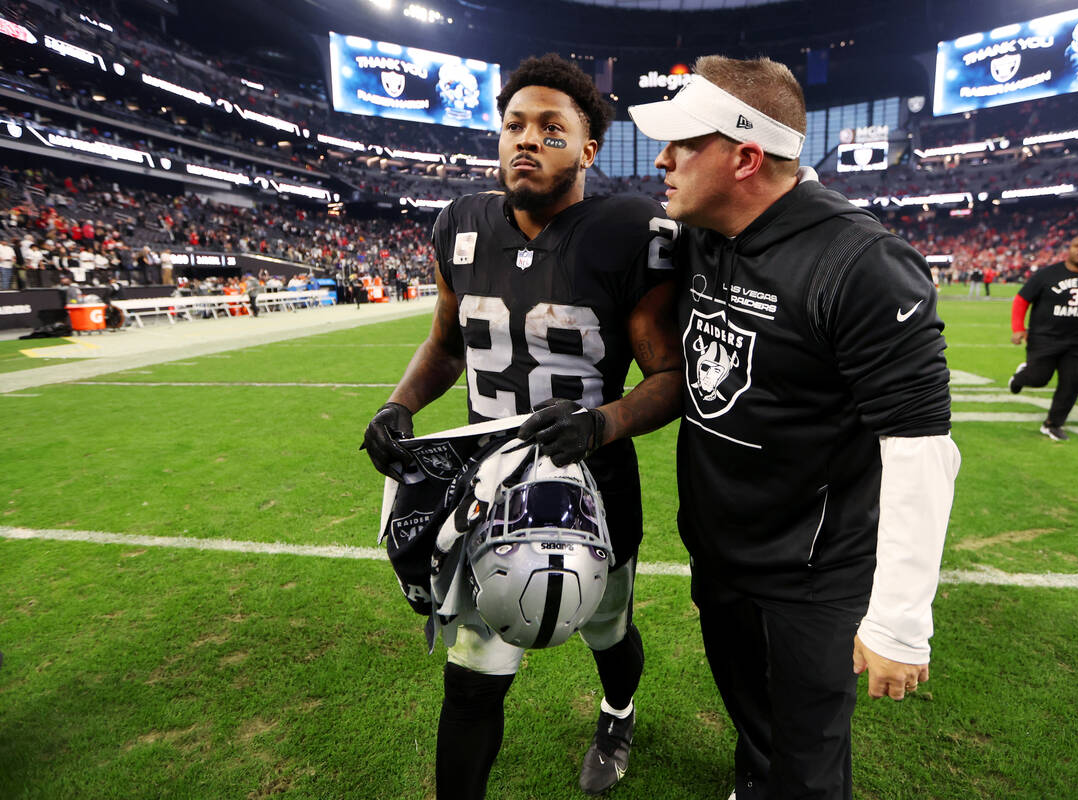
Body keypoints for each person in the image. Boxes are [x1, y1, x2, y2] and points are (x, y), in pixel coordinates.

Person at [629, 56, 960, 799]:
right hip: (719, 552)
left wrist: (902, 622)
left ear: (746, 156)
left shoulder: (862, 263)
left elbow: (919, 451)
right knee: (755, 725)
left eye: (683, 142)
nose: (661, 158)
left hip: (812, 577)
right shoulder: (703, 234)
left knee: (808, 767)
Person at [361, 53, 682, 799]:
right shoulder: (461, 224)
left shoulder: (630, 230)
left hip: (593, 483)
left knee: (608, 633)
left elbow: (670, 379)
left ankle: (618, 710)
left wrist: (602, 425)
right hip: (490, 484)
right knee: (473, 673)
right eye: (513, 125)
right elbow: (446, 345)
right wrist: (398, 404)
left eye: (550, 128)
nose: (526, 140)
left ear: (588, 148)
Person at [1007, 233, 1078, 442]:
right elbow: (1021, 300)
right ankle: (1021, 377)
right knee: (1038, 379)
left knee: (1073, 383)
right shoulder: (1047, 275)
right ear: (1069, 250)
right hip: (1044, 338)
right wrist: (1017, 328)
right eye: (1077, 245)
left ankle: (1053, 424)